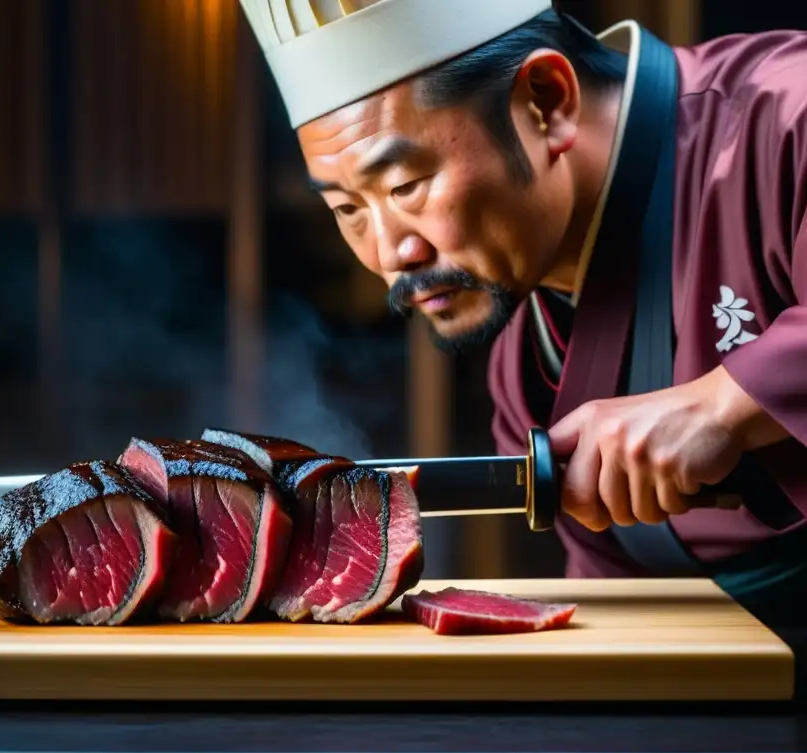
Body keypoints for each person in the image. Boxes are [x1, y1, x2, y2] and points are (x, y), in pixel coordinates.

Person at [238, 0, 807, 683]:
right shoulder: (528, 372)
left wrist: (725, 406)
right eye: (348, 210)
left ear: (546, 102)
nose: (392, 253)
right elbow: (631, 624)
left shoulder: (781, 118)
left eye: (407, 185)